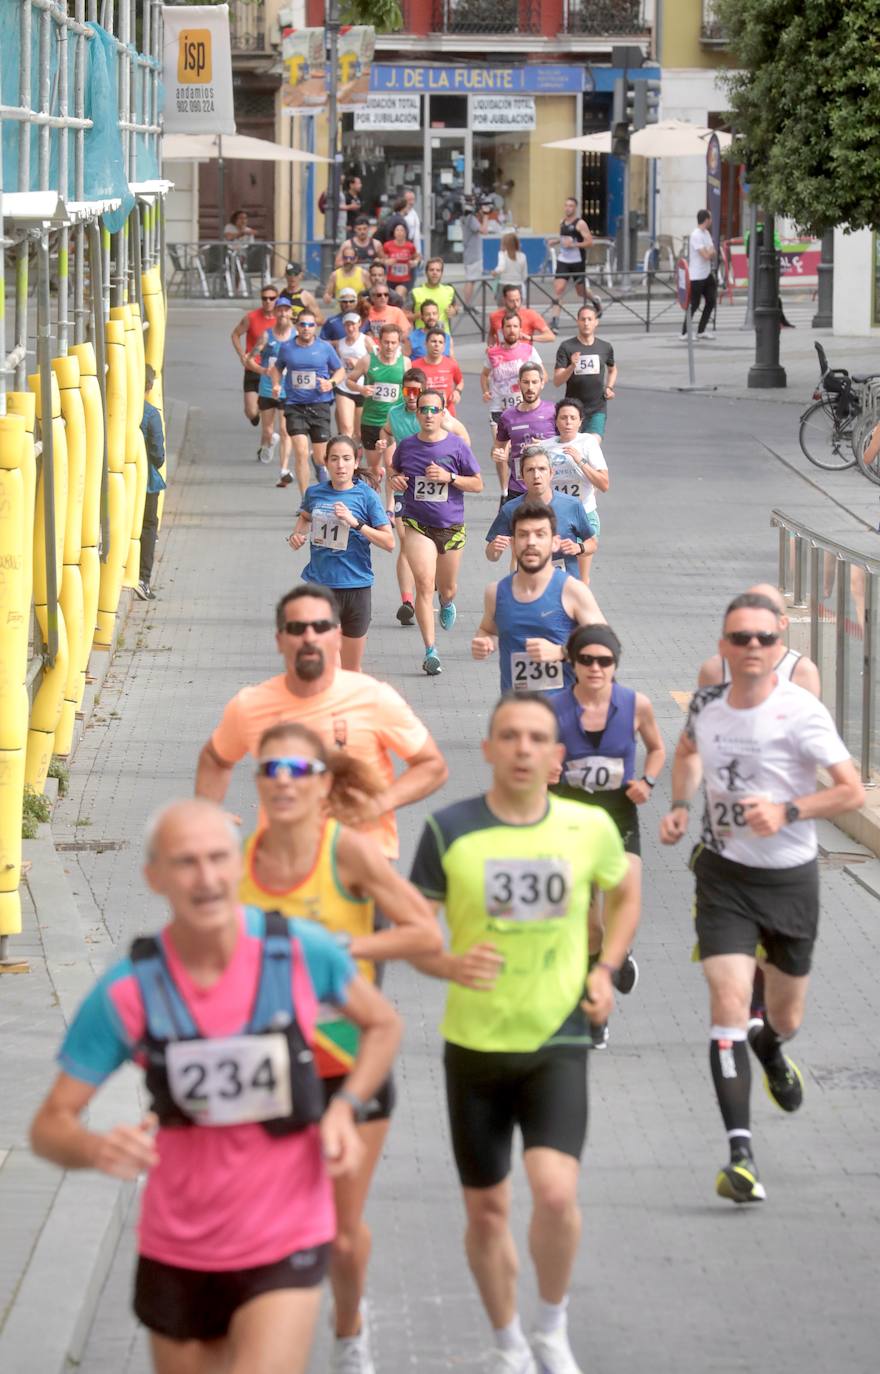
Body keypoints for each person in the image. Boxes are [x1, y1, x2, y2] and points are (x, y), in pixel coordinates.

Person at [30, 798, 402, 1374]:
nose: (205, 879)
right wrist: (96, 1147)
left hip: (287, 1233)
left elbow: (383, 1024)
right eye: (184, 863)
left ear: (238, 866)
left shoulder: (300, 951)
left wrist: (344, 1107)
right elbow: (49, 1125)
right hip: (179, 1242)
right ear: (153, 877)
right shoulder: (131, 989)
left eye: (216, 859)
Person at [408, 692, 640, 1374]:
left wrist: (607, 967)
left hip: (557, 1037)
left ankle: (551, 1324)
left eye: (538, 738)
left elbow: (625, 890)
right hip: (474, 1045)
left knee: (557, 1192)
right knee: (485, 1212)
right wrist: (445, 960)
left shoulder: (588, 828)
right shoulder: (449, 831)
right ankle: (508, 1340)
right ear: (487, 749)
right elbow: (413, 929)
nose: (523, 749)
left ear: (556, 754)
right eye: (509, 736)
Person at [239, 722, 440, 1374]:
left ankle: (350, 1331)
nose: (282, 783)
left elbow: (422, 932)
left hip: (351, 1062)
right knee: (269, 1229)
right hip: (265, 1070)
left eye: (298, 772)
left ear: (323, 783)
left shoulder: (349, 852)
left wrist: (344, 951)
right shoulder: (238, 862)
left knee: (341, 1236)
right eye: (270, 770)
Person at [659, 592, 864, 1204]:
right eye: (739, 638)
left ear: (779, 647)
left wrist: (789, 810)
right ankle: (740, 1155)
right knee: (726, 1006)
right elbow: (689, 753)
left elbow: (851, 791)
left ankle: (772, 1050)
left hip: (791, 877)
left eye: (764, 640)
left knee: (784, 1017)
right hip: (724, 875)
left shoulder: (801, 711)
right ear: (723, 646)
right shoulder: (706, 703)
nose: (752, 648)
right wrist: (677, 806)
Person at [196, 584, 448, 864]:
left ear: (338, 637)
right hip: (287, 869)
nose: (309, 637)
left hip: (362, 871)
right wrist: (206, 813)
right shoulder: (250, 705)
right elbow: (215, 758)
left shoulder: (373, 697)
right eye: (296, 629)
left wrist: (380, 803)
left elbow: (432, 766)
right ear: (280, 640)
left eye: (320, 627)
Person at [697, 582, 822, 1025]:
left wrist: (788, 807)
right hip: (726, 834)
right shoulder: (716, 670)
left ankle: (766, 1022)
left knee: (781, 985)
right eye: (744, 629)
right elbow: (695, 743)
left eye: (765, 624)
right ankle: (745, 1008)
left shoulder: (801, 673)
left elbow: (812, 753)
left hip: (783, 840)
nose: (754, 639)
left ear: (781, 625)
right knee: (732, 943)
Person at [550, 623, 666, 1047]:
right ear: (572, 663)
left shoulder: (636, 705)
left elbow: (656, 748)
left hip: (618, 812)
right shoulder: (552, 709)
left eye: (605, 661)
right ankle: (593, 1007)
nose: (596, 668)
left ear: (615, 665)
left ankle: (618, 954)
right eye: (587, 660)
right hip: (570, 817)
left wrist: (649, 782)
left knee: (625, 895)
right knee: (589, 927)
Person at [391, 390, 483, 676]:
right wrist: (396, 481)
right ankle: (430, 650)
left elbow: (478, 484)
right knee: (423, 584)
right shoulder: (406, 446)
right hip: (418, 523)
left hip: (451, 527)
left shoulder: (457, 447)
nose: (429, 415)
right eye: (424, 410)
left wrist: (450, 478)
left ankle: (447, 601)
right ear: (416, 414)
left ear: (444, 414)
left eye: (434, 410)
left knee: (446, 587)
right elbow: (395, 473)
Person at [472, 500, 603, 698]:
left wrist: (561, 653)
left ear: (554, 542)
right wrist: (484, 641)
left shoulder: (573, 591)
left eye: (540, 535)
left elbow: (605, 645)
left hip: (564, 716)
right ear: (513, 543)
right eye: (523, 535)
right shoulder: (495, 593)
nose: (531, 542)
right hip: (515, 714)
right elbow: (488, 630)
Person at [287, 437, 394, 672]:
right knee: (328, 665)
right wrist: (297, 536)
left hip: (356, 588)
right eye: (334, 459)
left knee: (351, 671)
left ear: (356, 463)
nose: (340, 465)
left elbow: (389, 542)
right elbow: (305, 517)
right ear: (325, 463)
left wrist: (356, 524)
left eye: (346, 459)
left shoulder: (366, 496)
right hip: (320, 587)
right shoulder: (315, 493)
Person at [379, 369, 471, 630]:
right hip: (407, 489)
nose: (410, 396)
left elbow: (465, 441)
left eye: (415, 392)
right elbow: (385, 433)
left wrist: (452, 470)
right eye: (406, 390)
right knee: (406, 542)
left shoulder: (443, 418)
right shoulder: (394, 413)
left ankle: (443, 596)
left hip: (442, 498)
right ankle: (409, 601)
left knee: (446, 584)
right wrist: (385, 449)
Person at [485, 447, 596, 581]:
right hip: (529, 586)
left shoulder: (572, 505)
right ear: (522, 476)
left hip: (565, 585)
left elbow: (592, 543)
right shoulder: (510, 509)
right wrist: (494, 548)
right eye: (530, 470)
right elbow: (492, 556)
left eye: (542, 469)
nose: (536, 475)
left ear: (551, 473)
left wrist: (579, 547)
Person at [269, 309, 344, 498]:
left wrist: (331, 383)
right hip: (294, 405)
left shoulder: (324, 347)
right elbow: (277, 369)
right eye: (303, 324)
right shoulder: (287, 347)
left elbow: (340, 370)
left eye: (310, 324)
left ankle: (317, 462)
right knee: (300, 452)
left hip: (319, 405)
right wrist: (276, 384)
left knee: (321, 457)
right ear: (297, 326)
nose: (306, 328)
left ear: (315, 326)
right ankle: (306, 501)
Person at [698, 582, 821, 696]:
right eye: (741, 637)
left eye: (764, 637)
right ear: (723, 646)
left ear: (782, 622)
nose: (753, 644)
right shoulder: (715, 670)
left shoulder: (802, 671)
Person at [537, 398, 608, 583]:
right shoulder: (545, 447)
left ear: (580, 421)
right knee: (553, 576)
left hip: (583, 516)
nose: (568, 422)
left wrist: (580, 461)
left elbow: (604, 484)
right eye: (563, 418)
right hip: (554, 518)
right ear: (556, 421)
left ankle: (579, 611)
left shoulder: (587, 443)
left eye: (572, 418)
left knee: (580, 580)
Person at [346, 324, 407, 484]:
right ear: (379, 341)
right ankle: (374, 498)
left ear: (399, 343)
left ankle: (390, 507)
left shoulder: (405, 363)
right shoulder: (367, 360)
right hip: (371, 421)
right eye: (386, 342)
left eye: (394, 342)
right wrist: (361, 388)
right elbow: (349, 381)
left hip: (392, 422)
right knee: (373, 467)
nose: (389, 346)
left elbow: (410, 388)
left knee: (390, 465)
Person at [247, 293, 296, 487]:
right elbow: (249, 359)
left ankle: (283, 469)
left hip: (288, 389)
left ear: (291, 313)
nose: (283, 313)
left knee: (285, 430)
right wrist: (263, 370)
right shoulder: (267, 335)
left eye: (286, 309)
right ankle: (269, 441)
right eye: (280, 310)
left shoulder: (297, 335)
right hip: (267, 388)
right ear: (275, 313)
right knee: (268, 430)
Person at [491, 363, 557, 501]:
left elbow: (569, 444)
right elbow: (498, 448)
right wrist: (498, 454)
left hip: (548, 488)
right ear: (519, 384)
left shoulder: (553, 412)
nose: (530, 387)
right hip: (518, 489)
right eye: (526, 382)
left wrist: (546, 445)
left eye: (534, 382)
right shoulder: (507, 416)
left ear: (542, 384)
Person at [553, 301, 616, 439]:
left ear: (596, 322)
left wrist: (609, 387)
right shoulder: (566, 347)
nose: (586, 323)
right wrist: (572, 367)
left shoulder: (605, 347)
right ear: (578, 321)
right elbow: (557, 381)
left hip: (597, 408)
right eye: (583, 319)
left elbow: (612, 369)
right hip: (573, 411)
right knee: (572, 448)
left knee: (592, 444)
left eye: (589, 319)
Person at [481, 312, 545, 431]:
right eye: (508, 326)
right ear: (502, 329)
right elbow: (484, 375)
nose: (512, 330)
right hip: (499, 408)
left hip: (523, 407)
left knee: (522, 447)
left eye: (515, 326)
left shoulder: (529, 350)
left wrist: (532, 392)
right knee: (499, 448)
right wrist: (485, 391)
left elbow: (543, 376)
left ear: (520, 329)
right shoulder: (492, 353)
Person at [135, 364, 166, 602]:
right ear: (150, 385)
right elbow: (158, 455)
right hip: (146, 484)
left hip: (121, 483)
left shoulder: (116, 409)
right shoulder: (151, 414)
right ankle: (143, 579)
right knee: (147, 529)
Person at [231, 284, 276, 434]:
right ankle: (258, 414)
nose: (268, 301)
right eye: (264, 298)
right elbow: (235, 334)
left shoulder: (282, 319)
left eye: (272, 298)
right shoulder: (251, 317)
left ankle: (270, 432)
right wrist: (241, 354)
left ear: (277, 299)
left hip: (272, 370)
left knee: (274, 408)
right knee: (251, 412)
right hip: (253, 367)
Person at [546, 198, 593, 327]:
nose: (568, 208)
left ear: (575, 208)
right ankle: (555, 319)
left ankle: (594, 300)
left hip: (577, 261)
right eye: (566, 205)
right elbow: (563, 239)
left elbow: (589, 242)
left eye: (571, 206)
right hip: (563, 260)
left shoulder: (580, 223)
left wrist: (574, 244)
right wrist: (555, 241)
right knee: (559, 289)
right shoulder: (562, 222)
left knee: (580, 292)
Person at [333, 310, 376, 440]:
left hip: (363, 388)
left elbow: (376, 362)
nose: (350, 328)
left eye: (353, 324)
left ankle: (355, 456)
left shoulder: (366, 340)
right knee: (347, 428)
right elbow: (337, 365)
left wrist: (358, 363)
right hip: (344, 387)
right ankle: (347, 456)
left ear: (359, 324)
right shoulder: (340, 343)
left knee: (358, 433)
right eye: (347, 325)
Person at [681, 209, 717, 340]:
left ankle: (701, 330)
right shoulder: (696, 235)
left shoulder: (706, 233)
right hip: (696, 276)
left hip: (707, 274)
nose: (711, 221)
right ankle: (685, 333)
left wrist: (710, 252)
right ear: (706, 220)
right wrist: (710, 252)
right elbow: (707, 254)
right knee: (694, 304)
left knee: (711, 301)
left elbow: (713, 251)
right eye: (710, 218)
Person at [415, 328, 464, 415]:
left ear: (444, 346)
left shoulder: (452, 364)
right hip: (425, 414)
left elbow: (460, 381)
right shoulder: (414, 366)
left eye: (440, 342)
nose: (436, 345)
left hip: (447, 413)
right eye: (433, 341)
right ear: (425, 344)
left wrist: (457, 391)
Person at [488, 285, 555, 346]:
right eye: (511, 301)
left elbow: (551, 336)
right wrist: (490, 346)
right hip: (502, 357)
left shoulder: (530, 314)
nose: (516, 304)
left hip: (524, 357)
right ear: (504, 300)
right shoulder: (494, 316)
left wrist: (530, 338)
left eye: (518, 300)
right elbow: (491, 334)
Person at [410, 257, 457, 329]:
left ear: (441, 273)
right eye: (431, 270)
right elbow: (404, 315)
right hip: (422, 338)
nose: (435, 273)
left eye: (438, 270)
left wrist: (454, 311)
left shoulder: (449, 290)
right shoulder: (415, 292)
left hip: (444, 337)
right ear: (426, 272)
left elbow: (455, 307)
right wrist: (418, 315)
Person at [461, 199, 492, 306]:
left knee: (470, 280)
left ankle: (467, 304)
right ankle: (467, 305)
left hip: (470, 253)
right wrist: (486, 215)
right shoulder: (471, 219)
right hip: (473, 255)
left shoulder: (466, 218)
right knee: (471, 280)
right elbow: (484, 230)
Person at [383, 221, 420, 302]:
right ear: (394, 233)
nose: (400, 232)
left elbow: (417, 257)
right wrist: (387, 261)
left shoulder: (410, 246)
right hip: (390, 279)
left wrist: (415, 262)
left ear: (406, 232)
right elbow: (381, 260)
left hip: (405, 280)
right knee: (392, 300)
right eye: (397, 230)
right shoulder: (387, 245)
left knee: (398, 295)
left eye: (402, 230)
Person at [402, 188, 422, 256]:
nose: (411, 202)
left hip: (411, 246)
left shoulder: (414, 214)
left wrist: (418, 252)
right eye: (409, 200)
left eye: (413, 199)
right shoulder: (399, 214)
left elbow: (416, 235)